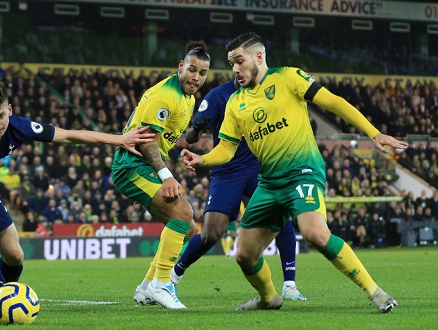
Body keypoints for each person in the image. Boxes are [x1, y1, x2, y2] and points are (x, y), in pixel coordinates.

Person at [181, 33, 407, 313]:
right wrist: (202, 159)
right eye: (231, 64)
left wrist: (373, 133)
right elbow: (226, 149)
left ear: (259, 57)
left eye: (240, 61)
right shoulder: (236, 103)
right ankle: (269, 298)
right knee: (244, 255)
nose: (235, 69)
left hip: (302, 172)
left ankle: (376, 293)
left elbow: (334, 102)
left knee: (315, 234)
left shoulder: (288, 77)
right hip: (270, 183)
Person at [0, 81, 154, 292]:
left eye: (1, 115)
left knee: (15, 256)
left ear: (10, 110)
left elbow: (69, 136)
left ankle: (9, 297)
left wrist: (120, 139)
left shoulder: (18, 127)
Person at [171, 78, 306, 301]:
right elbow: (190, 138)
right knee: (211, 234)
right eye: (237, 63)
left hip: (258, 167)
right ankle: (173, 277)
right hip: (226, 171)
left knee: (282, 218)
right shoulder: (217, 96)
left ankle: (290, 285)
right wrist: (197, 127)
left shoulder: (266, 93)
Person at [112, 41, 210, 309]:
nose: (196, 77)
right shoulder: (165, 96)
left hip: (144, 167)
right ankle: (161, 284)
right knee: (183, 212)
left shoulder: (188, 98)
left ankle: (146, 288)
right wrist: (166, 175)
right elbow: (146, 141)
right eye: (192, 70)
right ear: (181, 66)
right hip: (131, 166)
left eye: (202, 73)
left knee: (188, 227)